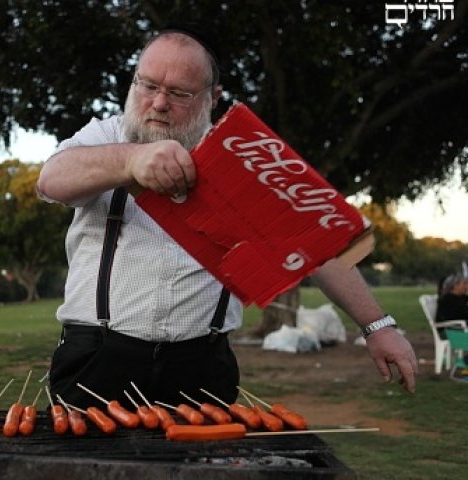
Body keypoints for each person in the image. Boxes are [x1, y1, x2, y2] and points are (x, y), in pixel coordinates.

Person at [36, 25, 418, 409]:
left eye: (180, 93)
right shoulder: (104, 137)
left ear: (213, 98)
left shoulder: (244, 155)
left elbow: (314, 247)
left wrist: (377, 326)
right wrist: (131, 160)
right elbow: (52, 180)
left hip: (201, 364)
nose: (159, 103)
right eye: (148, 85)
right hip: (97, 358)